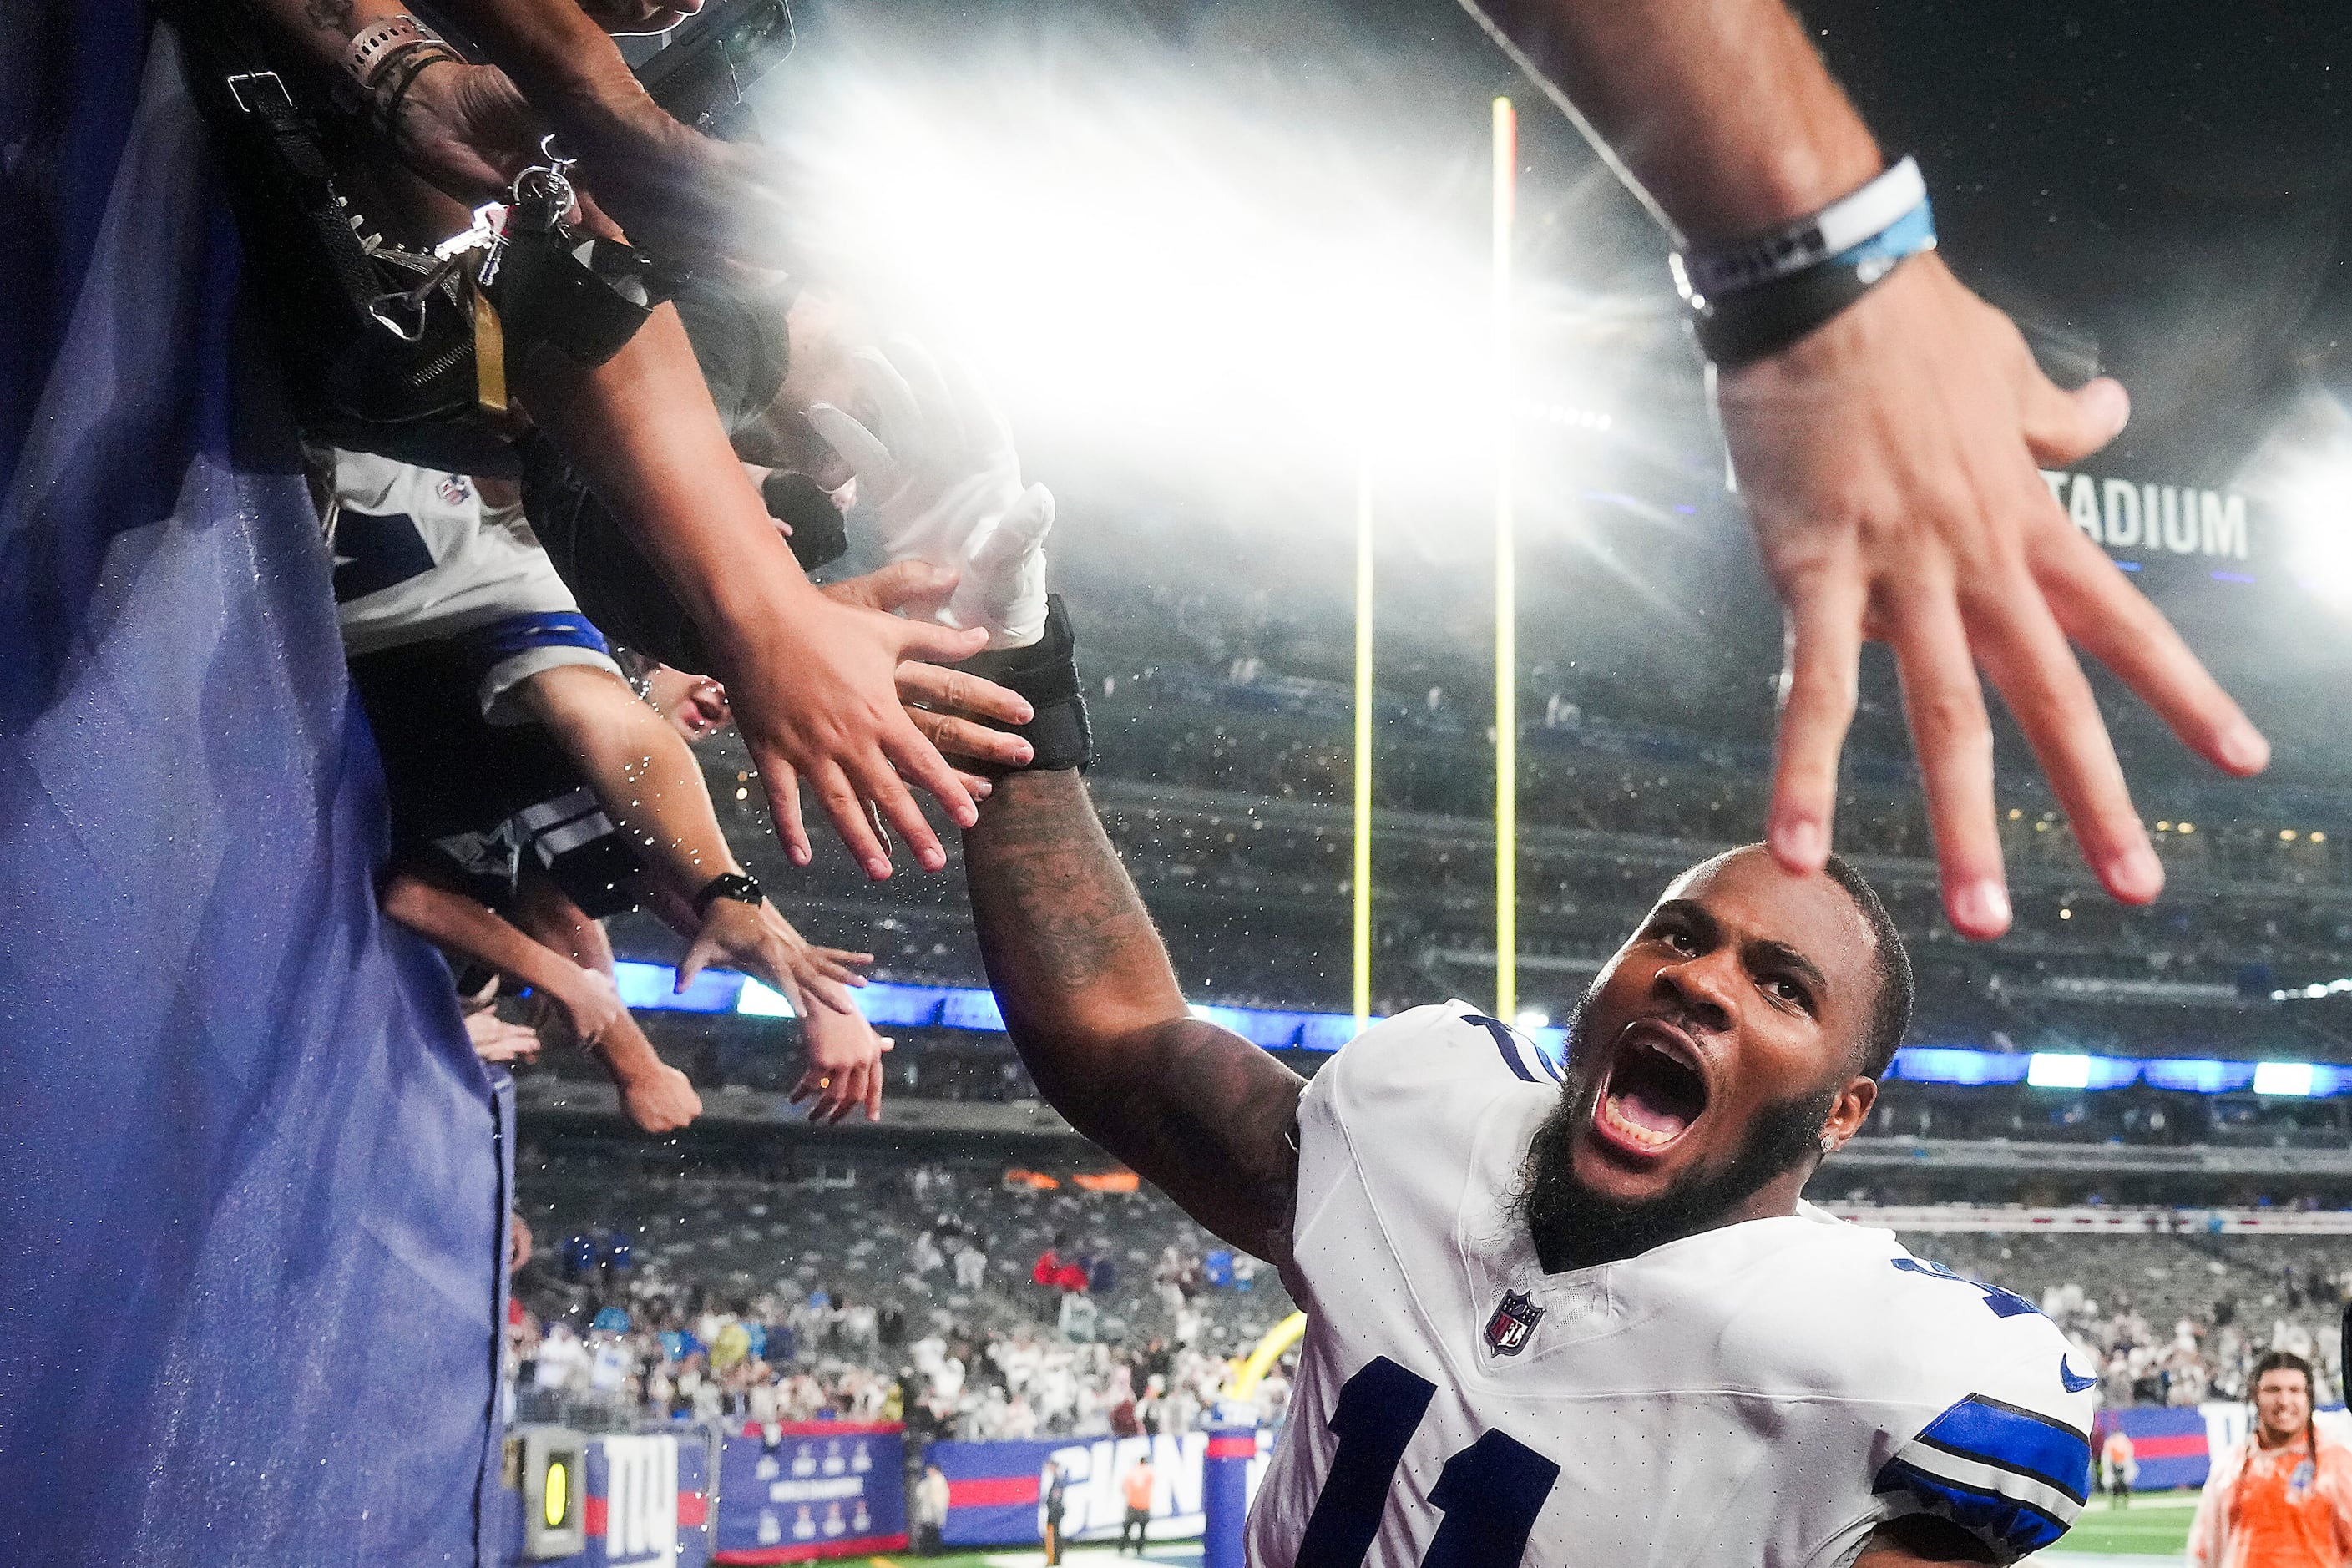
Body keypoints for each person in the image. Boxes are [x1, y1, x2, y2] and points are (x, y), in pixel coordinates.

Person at [953, 746, 2097, 1561]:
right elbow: (1112, 1044)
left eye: (1781, 986)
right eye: (1679, 934)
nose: (1699, 978)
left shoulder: (1865, 1364)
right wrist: (1021, 695)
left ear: (1840, 1111)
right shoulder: (1421, 1121)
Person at [2188, 1350, 2352, 1568]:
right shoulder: (2230, 1468)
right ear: (2255, 1395)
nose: (2284, 1401)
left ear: (2309, 1398)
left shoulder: (2337, 1464)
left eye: (2294, 1390)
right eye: (2273, 1390)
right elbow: (2206, 1552)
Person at [1119, 1455, 1156, 1555]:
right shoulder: (1148, 1472)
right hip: (1144, 1505)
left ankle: (1122, 1548)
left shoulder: (1132, 1473)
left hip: (1132, 1504)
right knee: (1142, 1530)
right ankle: (1139, 1549)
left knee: (1127, 1529)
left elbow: (1124, 1487)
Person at [914, 1462, 950, 1555]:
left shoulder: (939, 1480)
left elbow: (940, 1497)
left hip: (935, 1511)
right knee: (927, 1531)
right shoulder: (927, 1481)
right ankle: (927, 1551)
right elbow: (919, 1492)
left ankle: (934, 1551)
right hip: (927, 1511)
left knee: (933, 1532)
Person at [2102, 1427, 2138, 1509]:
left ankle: (2125, 1502)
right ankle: (2114, 1502)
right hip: (2113, 1467)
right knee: (2112, 1485)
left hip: (2123, 1466)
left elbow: (2128, 1457)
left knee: (2125, 1484)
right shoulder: (2110, 1442)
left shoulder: (2124, 1442)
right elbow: (2107, 1457)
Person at [1042, 1459, 1068, 1565]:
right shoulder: (1056, 1479)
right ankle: (1055, 1558)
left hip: (1055, 1511)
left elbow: (1056, 1499)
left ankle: (1055, 1558)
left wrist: (1052, 1512)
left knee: (1054, 1535)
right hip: (1055, 1510)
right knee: (1055, 1534)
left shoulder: (1057, 1480)